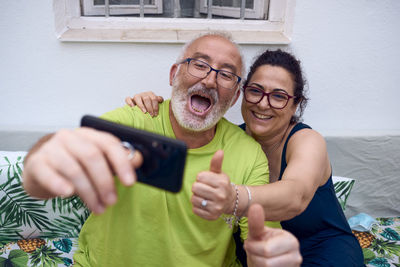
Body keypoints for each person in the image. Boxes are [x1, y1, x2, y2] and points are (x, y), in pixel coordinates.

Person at [22, 33, 302, 267]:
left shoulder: (249, 154)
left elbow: (261, 238)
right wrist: (42, 161)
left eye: (226, 74)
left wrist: (269, 256)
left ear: (235, 97)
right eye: (199, 64)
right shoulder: (133, 120)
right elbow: (58, 166)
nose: (209, 80)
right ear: (174, 74)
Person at [125, 49, 365, 266]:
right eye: (255, 91)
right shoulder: (230, 139)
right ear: (241, 94)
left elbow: (296, 196)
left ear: (295, 105)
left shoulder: (306, 140)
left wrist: (233, 199)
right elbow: (186, 124)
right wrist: (149, 105)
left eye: (279, 96)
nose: (263, 104)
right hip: (252, 253)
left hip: (321, 251)